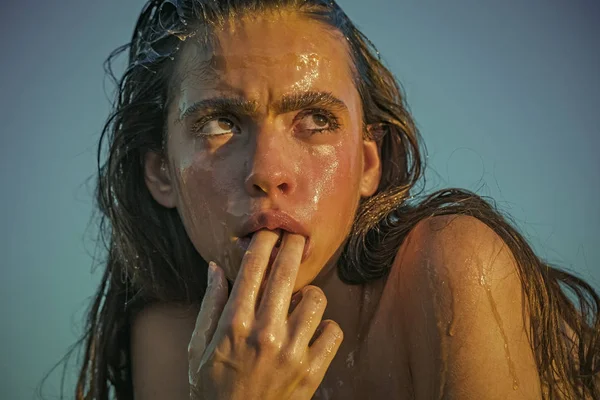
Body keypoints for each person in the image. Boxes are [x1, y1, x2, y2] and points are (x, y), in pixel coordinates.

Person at [70, 0, 599, 399]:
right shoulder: (173, 339)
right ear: (161, 171)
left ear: (369, 163)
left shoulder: (450, 270)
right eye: (220, 122)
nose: (267, 173)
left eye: (315, 121)